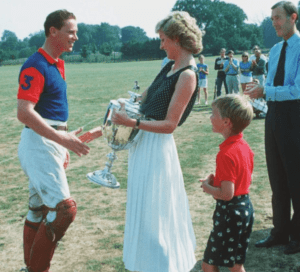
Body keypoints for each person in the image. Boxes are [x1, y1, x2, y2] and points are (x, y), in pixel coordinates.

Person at [111, 11, 202, 272]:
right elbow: (143, 101)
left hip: (158, 148)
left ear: (177, 39)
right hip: (142, 144)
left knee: (157, 214)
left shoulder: (187, 75)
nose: (161, 45)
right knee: (143, 212)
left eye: (163, 40)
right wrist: (124, 106)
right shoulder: (168, 66)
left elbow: (170, 125)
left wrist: (132, 123)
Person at [17, 10, 101, 272]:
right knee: (64, 210)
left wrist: (65, 139)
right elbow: (24, 113)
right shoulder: (36, 64)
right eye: (71, 31)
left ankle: (30, 267)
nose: (76, 37)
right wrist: (59, 137)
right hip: (38, 143)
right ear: (53, 31)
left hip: (48, 142)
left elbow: (49, 113)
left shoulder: (57, 63)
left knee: (38, 210)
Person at [245, 1, 300, 255]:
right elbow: (271, 84)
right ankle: (279, 232)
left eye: (278, 18)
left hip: (295, 117)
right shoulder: (275, 50)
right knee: (277, 178)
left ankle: (297, 237)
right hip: (274, 116)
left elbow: (297, 90)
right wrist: (258, 88)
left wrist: (266, 90)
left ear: (293, 17)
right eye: (272, 19)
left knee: (295, 178)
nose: (275, 23)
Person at [200, 94, 254, 272]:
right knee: (236, 265)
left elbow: (227, 194)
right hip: (245, 208)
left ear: (226, 122)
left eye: (213, 113)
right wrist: (217, 180)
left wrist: (207, 188)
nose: (210, 117)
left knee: (208, 263)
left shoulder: (226, 154)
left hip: (230, 213)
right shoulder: (244, 146)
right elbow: (244, 179)